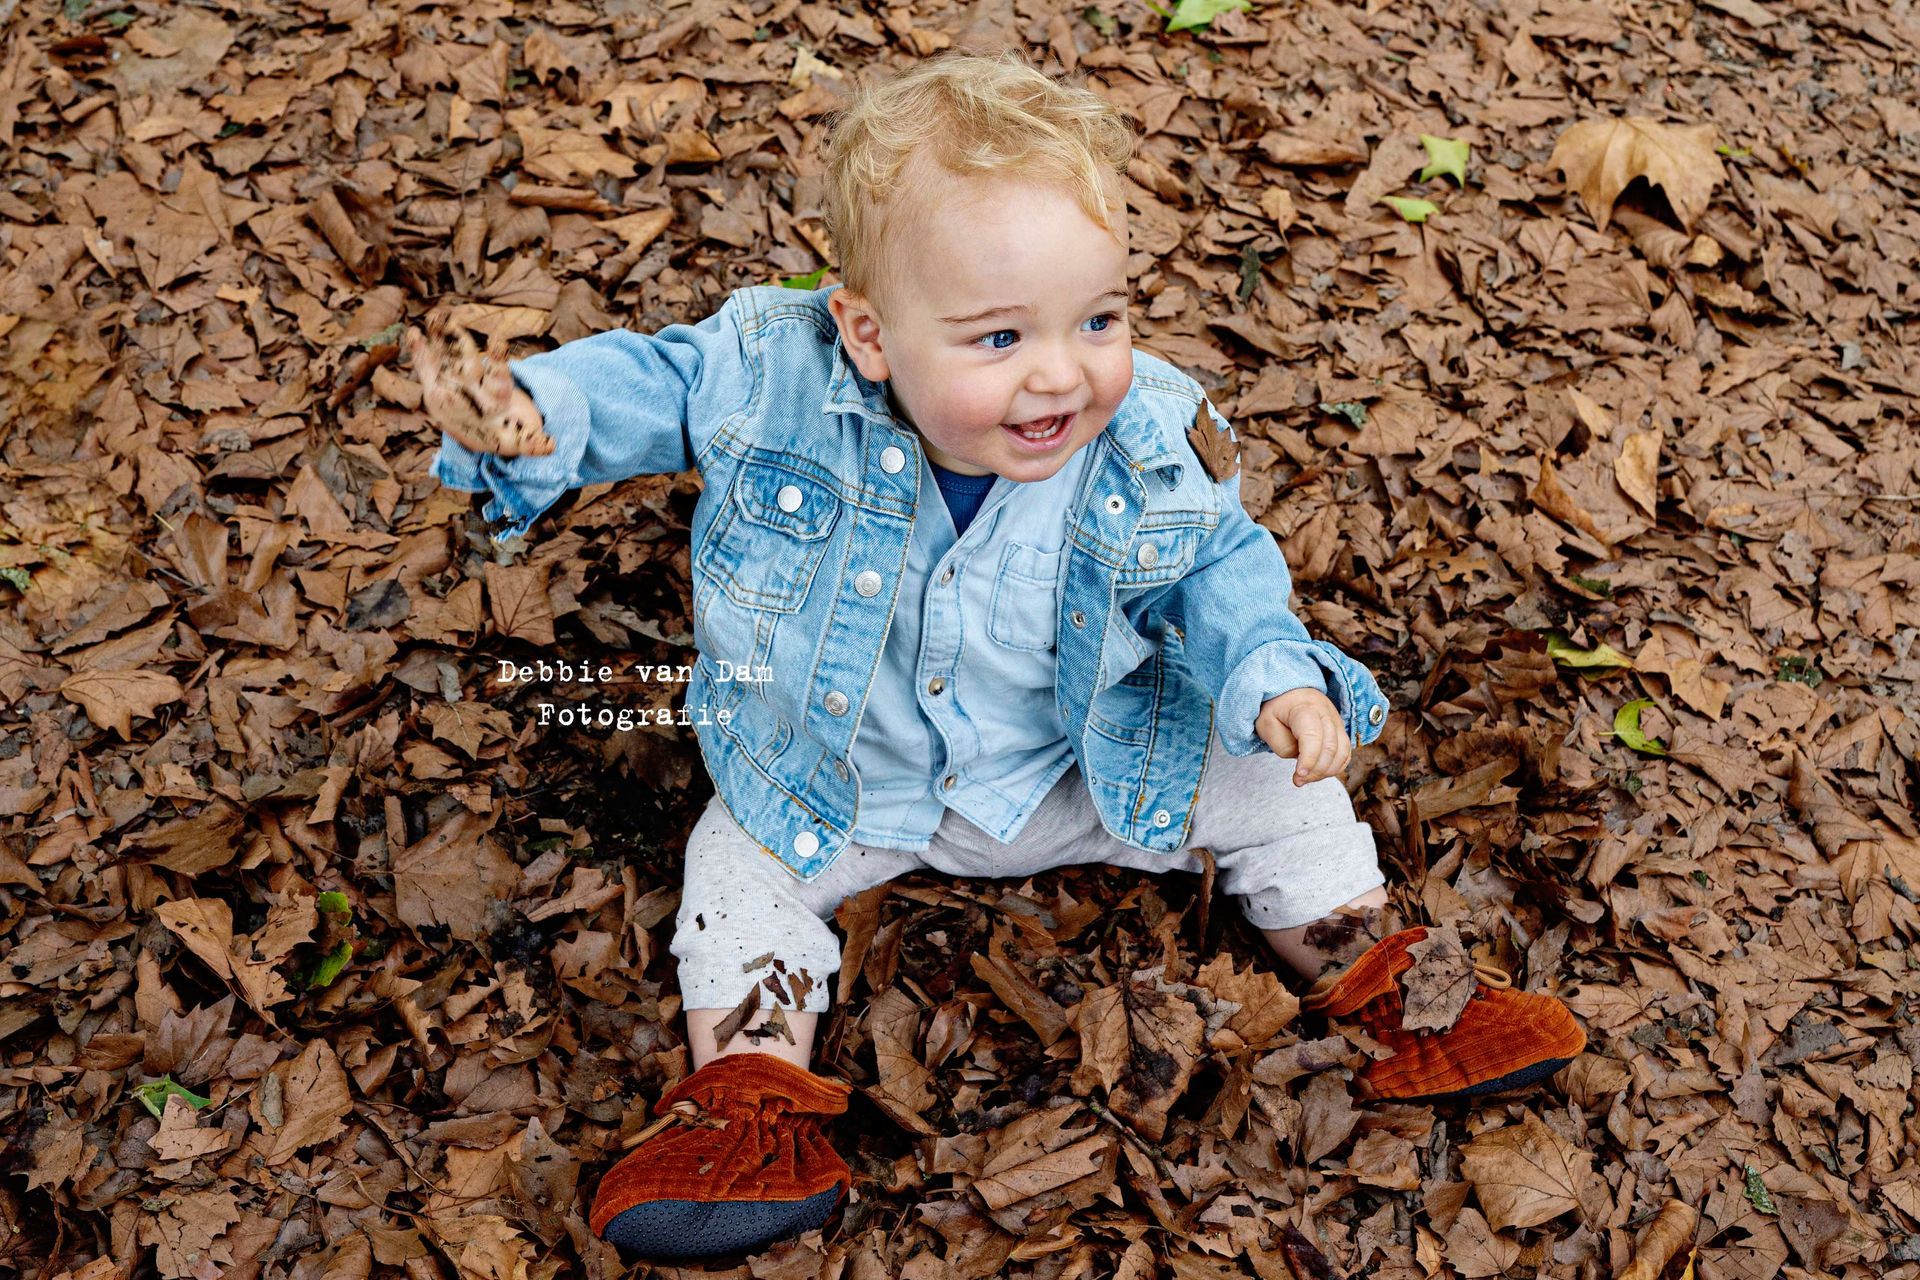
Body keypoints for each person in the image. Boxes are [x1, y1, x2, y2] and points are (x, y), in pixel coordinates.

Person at [409, 48, 1585, 1262]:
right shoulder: (774, 376)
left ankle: (1395, 978)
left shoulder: (1145, 431)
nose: (1060, 371)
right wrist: (542, 414)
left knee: (1283, 791)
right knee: (735, 869)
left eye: (1098, 319)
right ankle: (752, 1102)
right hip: (845, 781)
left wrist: (1272, 673)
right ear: (869, 333)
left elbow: (1214, 566)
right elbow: (657, 382)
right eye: (1000, 336)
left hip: (1089, 762)